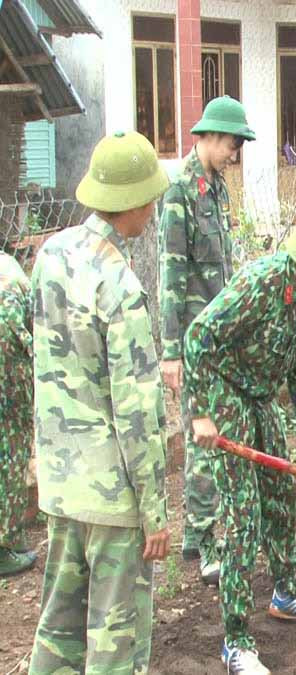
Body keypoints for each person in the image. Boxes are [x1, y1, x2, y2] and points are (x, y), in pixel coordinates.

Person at [184, 212, 296, 675]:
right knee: (245, 516)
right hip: (225, 392)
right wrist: (200, 410)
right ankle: (236, 641)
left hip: (261, 397)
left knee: (280, 496)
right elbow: (198, 335)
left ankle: (285, 591)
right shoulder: (258, 284)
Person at [29, 131, 170, 674]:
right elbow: (136, 413)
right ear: (132, 204)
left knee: (59, 630)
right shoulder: (120, 283)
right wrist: (155, 513)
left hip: (63, 486)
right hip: (113, 499)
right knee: (116, 643)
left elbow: (39, 356)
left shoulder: (51, 255)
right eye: (151, 199)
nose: (154, 209)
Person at [158, 95, 256, 585]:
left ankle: (195, 536)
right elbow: (171, 275)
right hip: (194, 339)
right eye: (231, 144)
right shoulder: (178, 192)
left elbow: (226, 264)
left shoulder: (217, 188)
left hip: (219, 334)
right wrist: (171, 351)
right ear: (209, 137)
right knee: (204, 436)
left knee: (211, 434)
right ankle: (207, 540)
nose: (234, 153)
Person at [0, 251, 37, 576]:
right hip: (9, 377)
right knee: (12, 454)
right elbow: (13, 328)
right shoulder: (10, 274)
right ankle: (6, 544)